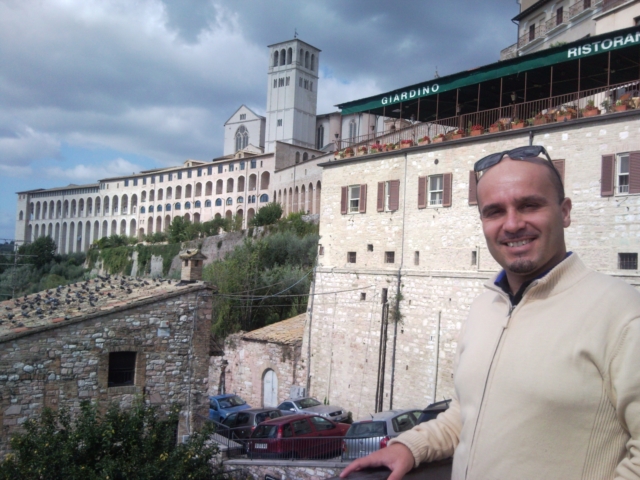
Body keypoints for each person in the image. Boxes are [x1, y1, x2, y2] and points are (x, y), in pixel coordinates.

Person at [341, 146, 640, 480]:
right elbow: (468, 411)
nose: (512, 224)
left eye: (529, 205)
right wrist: (411, 446)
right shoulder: (485, 307)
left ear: (565, 212)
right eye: (495, 211)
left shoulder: (623, 314)